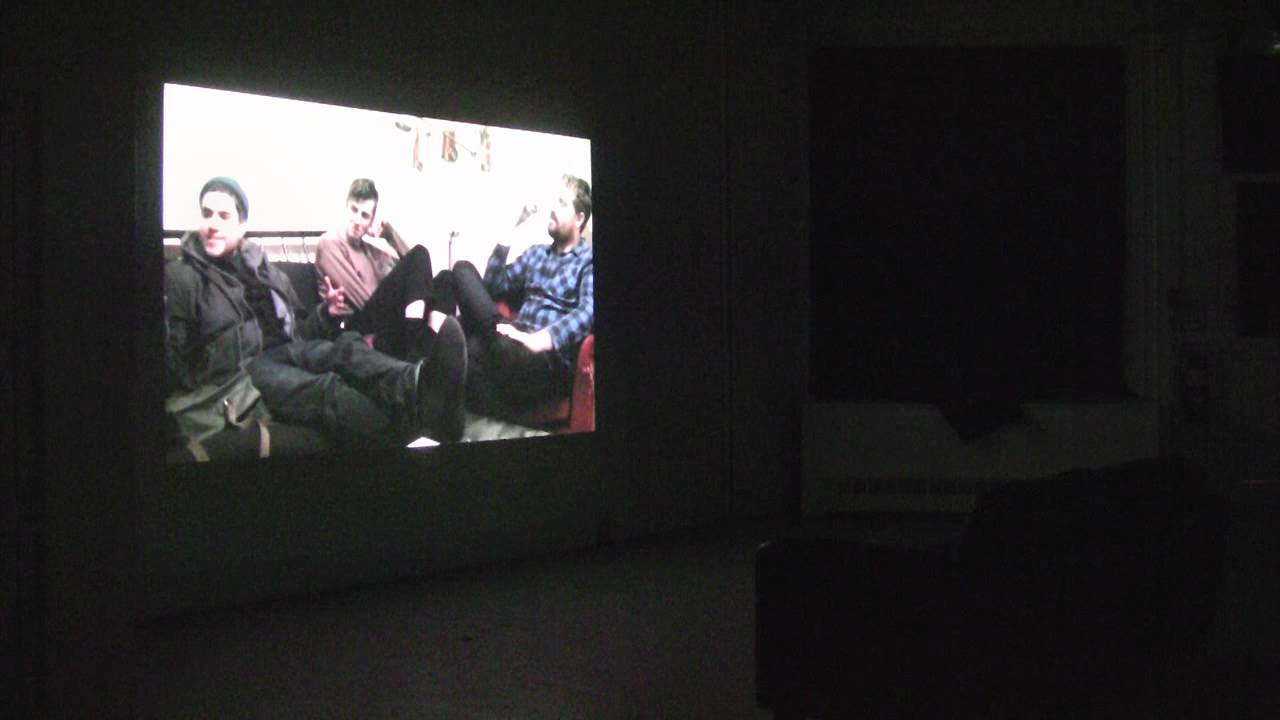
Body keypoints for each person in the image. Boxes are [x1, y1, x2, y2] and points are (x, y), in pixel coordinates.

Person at [164, 177, 467, 453]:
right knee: (328, 388)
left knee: (345, 346)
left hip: (287, 349)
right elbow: (177, 362)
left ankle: (418, 385)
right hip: (245, 368)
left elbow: (301, 329)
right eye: (207, 214)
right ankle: (412, 434)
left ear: (242, 226)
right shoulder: (184, 276)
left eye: (223, 216)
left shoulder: (264, 270)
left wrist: (325, 312)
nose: (213, 224)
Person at [451, 174, 593, 418]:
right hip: (511, 340)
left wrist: (542, 339)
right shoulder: (535, 254)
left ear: (579, 218)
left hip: (546, 360)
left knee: (471, 350)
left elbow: (590, 310)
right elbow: (493, 287)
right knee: (461, 269)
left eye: (561, 203)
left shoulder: (588, 261)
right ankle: (495, 341)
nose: (552, 208)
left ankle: (491, 349)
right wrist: (512, 227)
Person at [313, 178, 452, 364]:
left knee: (446, 279)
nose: (357, 220)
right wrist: (401, 298)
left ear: (371, 221)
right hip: (355, 326)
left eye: (364, 216)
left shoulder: (368, 249)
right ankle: (417, 349)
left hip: (380, 319)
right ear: (346, 207)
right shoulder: (330, 243)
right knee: (421, 252)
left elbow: (416, 272)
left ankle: (426, 346)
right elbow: (362, 299)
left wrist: (389, 234)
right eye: (354, 210)